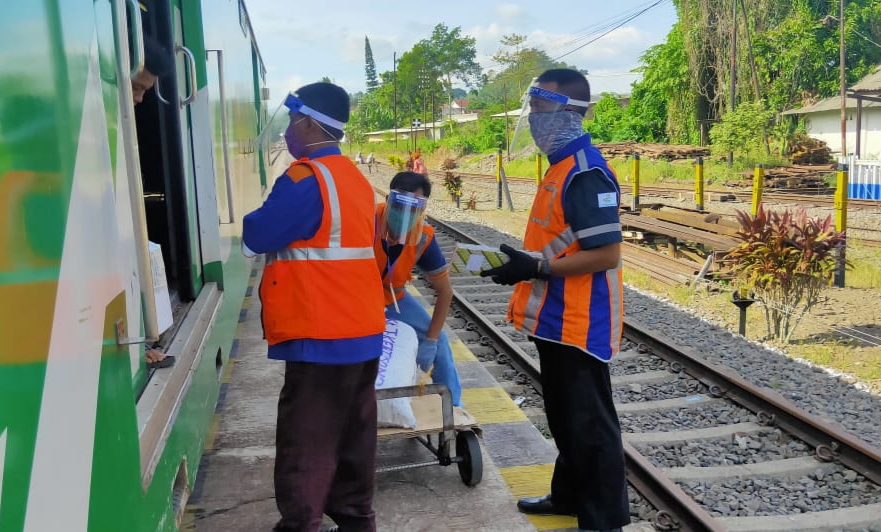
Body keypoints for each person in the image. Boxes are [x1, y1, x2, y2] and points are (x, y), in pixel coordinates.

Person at [481, 69, 629, 532]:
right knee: (566, 421)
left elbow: (605, 254)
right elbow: (561, 241)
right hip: (556, 317)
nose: (533, 117)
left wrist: (537, 267)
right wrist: (523, 264)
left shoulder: (585, 171)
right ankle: (567, 496)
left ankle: (604, 522)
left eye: (540, 107)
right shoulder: (561, 166)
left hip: (581, 322)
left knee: (591, 428)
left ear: (569, 112)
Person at [243, 82, 386, 532]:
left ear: (307, 122)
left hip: (320, 331)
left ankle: (301, 524)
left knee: (307, 441)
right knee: (353, 435)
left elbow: (258, 234)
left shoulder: (306, 179)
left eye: (291, 121)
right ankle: (356, 520)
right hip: (361, 328)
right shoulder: (354, 179)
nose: (288, 130)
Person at [375, 171, 462, 406]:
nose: (405, 214)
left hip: (394, 298)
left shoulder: (423, 237)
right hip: (358, 297)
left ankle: (454, 407)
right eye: (399, 204)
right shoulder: (366, 220)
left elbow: (445, 291)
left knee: (441, 344)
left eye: (414, 208)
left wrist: (431, 341)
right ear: (388, 200)